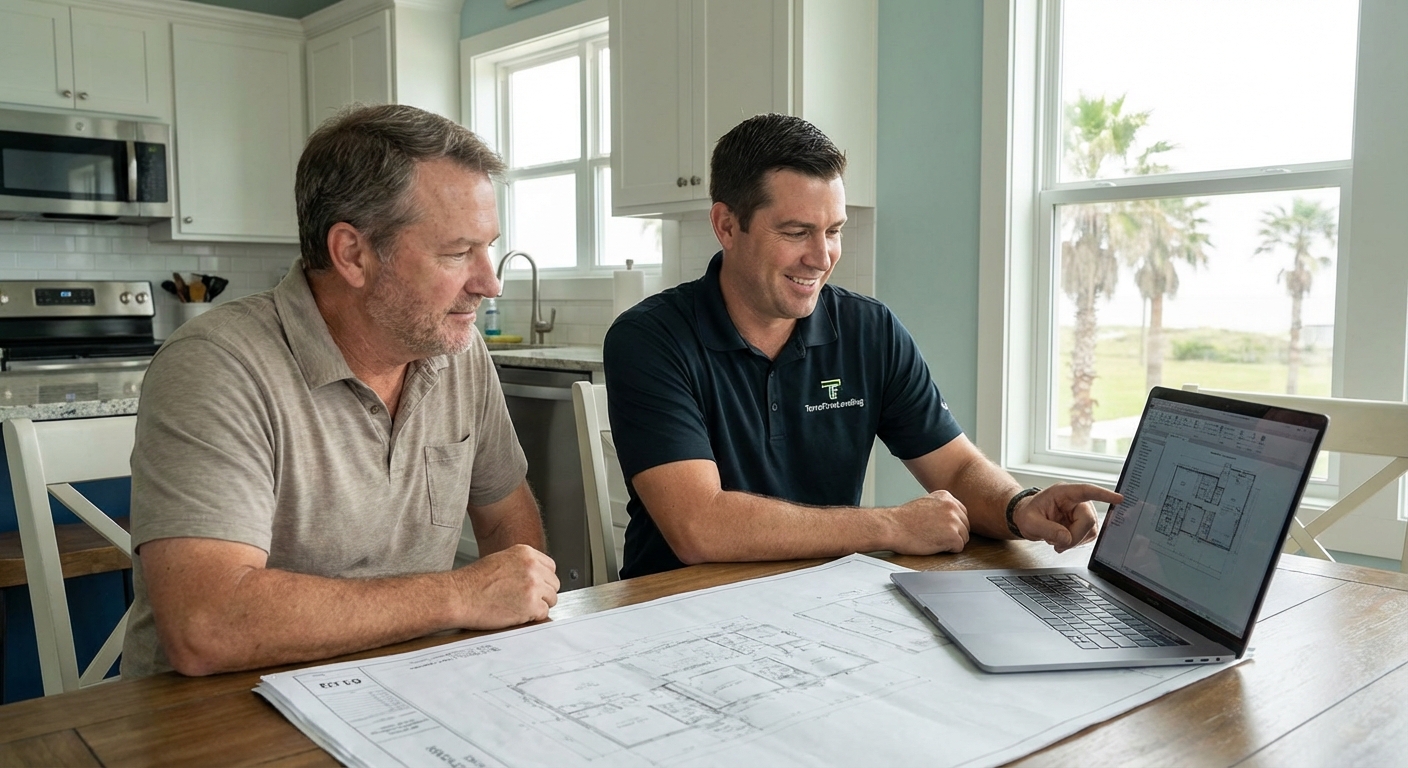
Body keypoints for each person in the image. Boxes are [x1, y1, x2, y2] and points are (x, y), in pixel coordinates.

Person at [122, 104, 559, 679]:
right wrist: (458, 596)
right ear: (352, 253)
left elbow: (508, 524)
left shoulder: (458, 350)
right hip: (222, 713)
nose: (489, 282)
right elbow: (206, 624)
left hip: (411, 689)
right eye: (457, 253)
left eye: (487, 247)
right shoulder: (216, 365)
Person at [603, 113, 1122, 579]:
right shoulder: (649, 339)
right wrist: (891, 525)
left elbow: (957, 469)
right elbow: (700, 526)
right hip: (675, 611)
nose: (821, 256)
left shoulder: (870, 330)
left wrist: (1019, 506)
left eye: (834, 230)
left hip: (825, 604)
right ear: (726, 225)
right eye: (796, 231)